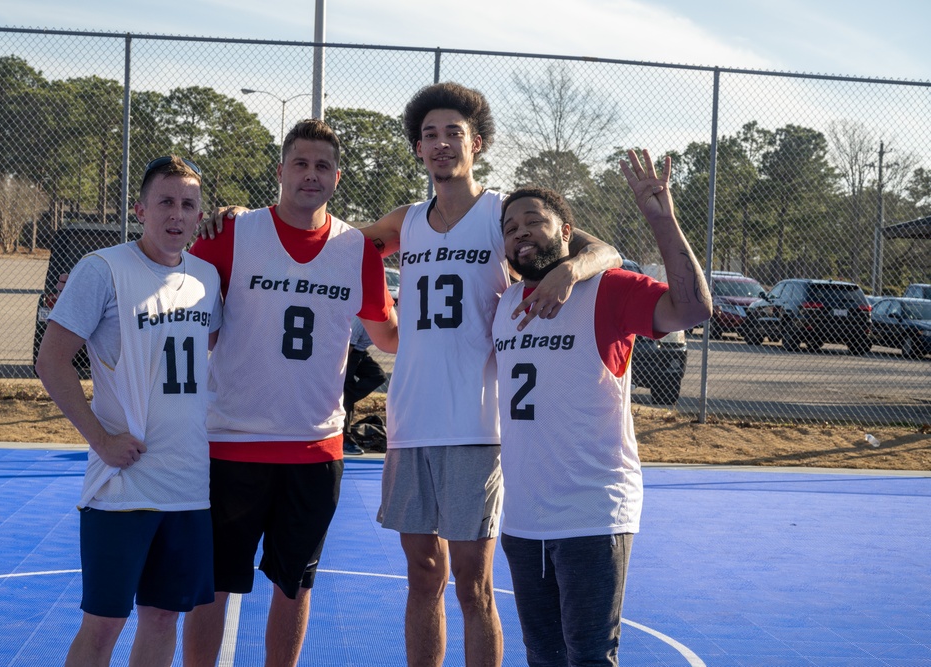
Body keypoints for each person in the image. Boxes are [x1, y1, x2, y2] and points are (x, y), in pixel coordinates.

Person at [200, 83, 621, 666]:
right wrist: (244, 217)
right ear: (417, 150)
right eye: (429, 135)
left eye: (453, 133)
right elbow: (322, 233)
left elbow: (607, 250)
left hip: (474, 425)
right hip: (410, 422)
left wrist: (571, 268)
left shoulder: (502, 218)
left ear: (477, 143)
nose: (442, 143)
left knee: (473, 586)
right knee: (422, 577)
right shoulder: (406, 223)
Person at [181, 119, 398, 667]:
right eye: (300, 163)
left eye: (322, 165)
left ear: (338, 177)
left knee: (294, 586)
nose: (310, 174)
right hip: (231, 441)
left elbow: (389, 336)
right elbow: (193, 326)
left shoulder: (357, 250)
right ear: (280, 171)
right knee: (210, 585)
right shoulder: (230, 233)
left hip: (314, 446)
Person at [492, 153, 712, 666]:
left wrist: (662, 219)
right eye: (509, 227)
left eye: (534, 222)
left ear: (568, 231)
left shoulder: (607, 290)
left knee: (589, 656)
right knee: (542, 655)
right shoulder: (504, 304)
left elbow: (694, 309)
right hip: (523, 517)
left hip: (591, 513)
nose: (521, 232)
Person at [35, 155, 222, 667]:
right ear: (140, 209)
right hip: (123, 484)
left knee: (163, 618)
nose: (176, 214)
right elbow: (50, 360)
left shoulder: (207, 278)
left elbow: (203, 349)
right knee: (103, 624)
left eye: (188, 204)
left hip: (187, 484)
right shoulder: (104, 269)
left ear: (198, 214)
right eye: (165, 202)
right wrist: (100, 439)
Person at [343, 315, 389, 455]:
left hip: (360, 352)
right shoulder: (360, 319)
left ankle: (341, 399)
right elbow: (347, 348)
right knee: (345, 388)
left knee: (378, 376)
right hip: (346, 353)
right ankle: (345, 439)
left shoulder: (389, 319)